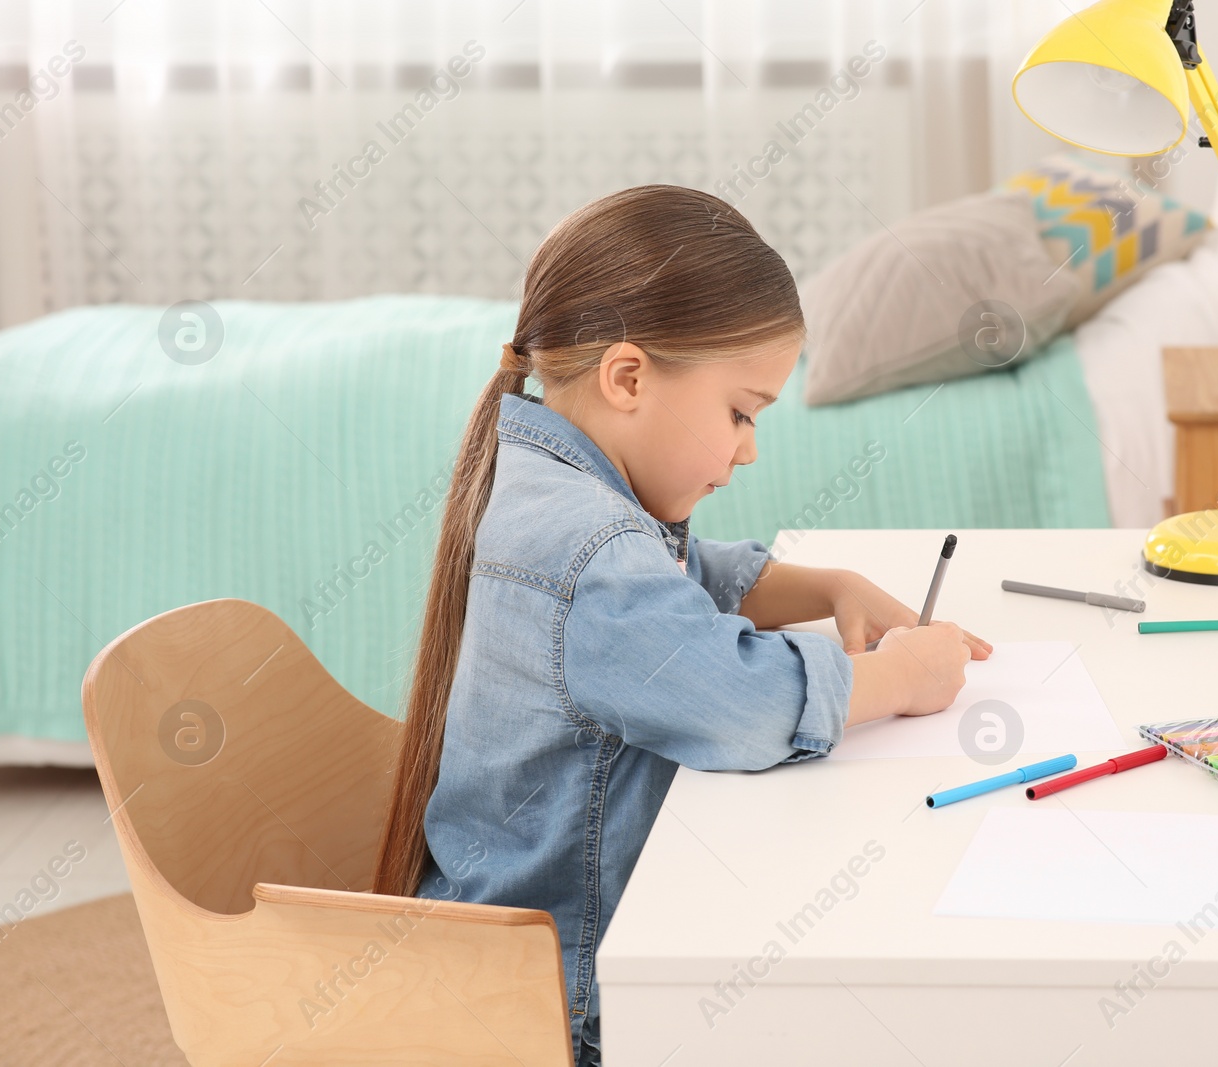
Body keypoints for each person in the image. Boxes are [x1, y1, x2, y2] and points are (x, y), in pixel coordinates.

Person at [372, 184, 989, 1065]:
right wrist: (904, 677)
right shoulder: (586, 547)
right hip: (564, 1007)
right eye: (741, 412)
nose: (749, 448)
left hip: (527, 955)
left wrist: (830, 584)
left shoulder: (555, 480)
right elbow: (737, 701)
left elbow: (675, 581)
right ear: (628, 377)